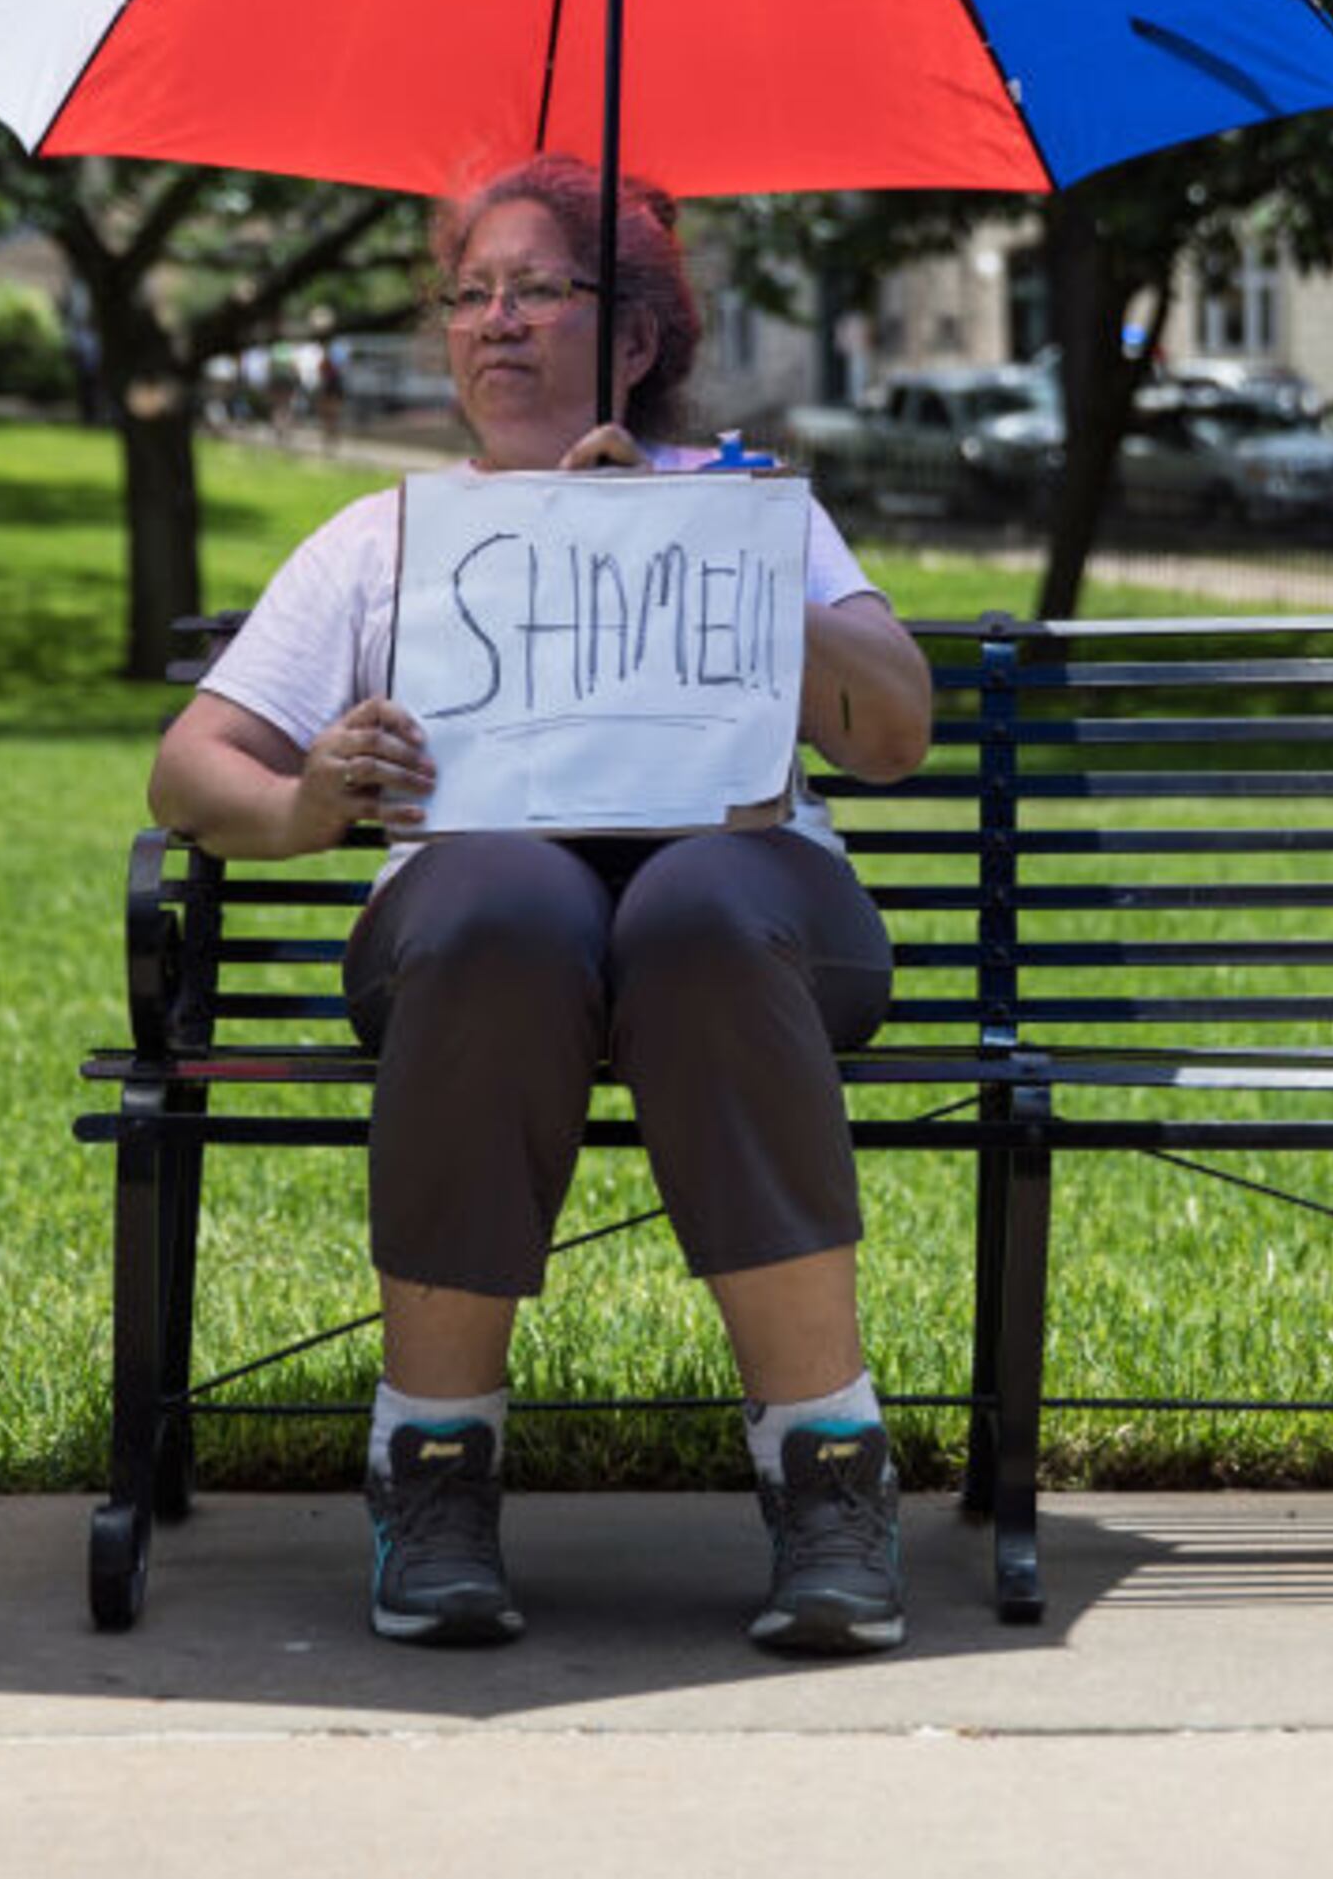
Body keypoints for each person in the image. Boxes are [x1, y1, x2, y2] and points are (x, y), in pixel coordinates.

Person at [147, 155, 937, 1657]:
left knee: (694, 908)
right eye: (470, 294)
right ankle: (433, 1461)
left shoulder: (745, 504)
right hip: (481, 933)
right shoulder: (388, 534)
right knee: (505, 901)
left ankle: (831, 1468)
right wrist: (306, 801)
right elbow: (191, 766)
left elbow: (894, 731)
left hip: (752, 920)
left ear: (633, 340)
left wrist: (705, 554)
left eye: (538, 289)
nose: (493, 322)